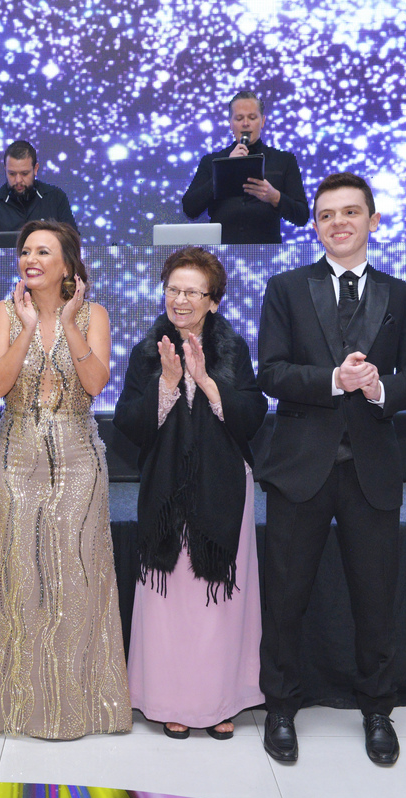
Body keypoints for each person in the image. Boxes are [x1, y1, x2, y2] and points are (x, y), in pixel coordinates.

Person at [255, 173, 406, 766]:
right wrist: (334, 379)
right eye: (327, 215)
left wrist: (379, 387)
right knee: (285, 598)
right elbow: (271, 373)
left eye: (351, 212)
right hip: (299, 469)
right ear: (315, 226)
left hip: (371, 471)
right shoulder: (285, 288)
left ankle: (378, 710)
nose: (339, 223)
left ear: (373, 221)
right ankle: (280, 708)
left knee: (375, 601)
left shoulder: (400, 295)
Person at [0, 219, 132, 739]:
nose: (31, 259)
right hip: (16, 454)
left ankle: (83, 706)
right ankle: (16, 707)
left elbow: (96, 382)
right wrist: (26, 329)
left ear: (67, 263)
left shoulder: (93, 314)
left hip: (77, 457)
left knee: (78, 577)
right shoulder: (3, 312)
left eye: (43, 251)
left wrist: (67, 324)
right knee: (17, 576)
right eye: (25, 251)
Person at [112, 247, 267, 740]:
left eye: (192, 292)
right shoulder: (147, 351)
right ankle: (169, 700)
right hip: (165, 493)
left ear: (213, 301)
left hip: (223, 487)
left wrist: (205, 382)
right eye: (173, 290)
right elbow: (128, 423)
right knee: (169, 604)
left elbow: (253, 413)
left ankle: (219, 702)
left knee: (218, 603)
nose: (180, 300)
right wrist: (167, 384)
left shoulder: (232, 349)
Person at [181, 91, 309, 244]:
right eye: (239, 118)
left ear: (262, 121)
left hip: (267, 251)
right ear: (230, 123)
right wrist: (224, 170)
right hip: (220, 252)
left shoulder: (284, 160)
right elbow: (190, 209)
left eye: (252, 118)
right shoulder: (211, 161)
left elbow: (302, 216)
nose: (246, 123)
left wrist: (275, 197)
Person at [0, 140, 77, 233]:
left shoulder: (56, 199)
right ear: (5, 169)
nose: (18, 180)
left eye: (24, 173)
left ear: (35, 169)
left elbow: (72, 242)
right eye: (12, 174)